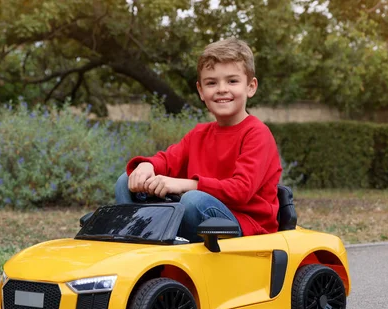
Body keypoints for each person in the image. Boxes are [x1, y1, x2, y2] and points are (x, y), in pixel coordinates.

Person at [115, 37, 282, 243]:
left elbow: (240, 191)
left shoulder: (257, 134)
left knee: (193, 200)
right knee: (126, 180)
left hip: (245, 225)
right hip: (201, 217)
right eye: (211, 83)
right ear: (201, 91)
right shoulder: (199, 134)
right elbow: (168, 160)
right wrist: (147, 165)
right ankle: (135, 241)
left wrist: (183, 185)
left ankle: (155, 239)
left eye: (232, 81)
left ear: (251, 86)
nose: (221, 89)